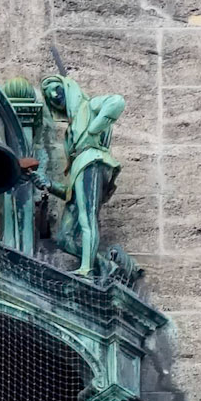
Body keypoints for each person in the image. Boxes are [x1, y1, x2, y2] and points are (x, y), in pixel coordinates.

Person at [40, 72, 126, 279]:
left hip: (93, 160)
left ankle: (86, 269)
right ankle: (103, 264)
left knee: (87, 217)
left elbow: (117, 101)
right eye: (48, 93)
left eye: (56, 88)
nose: (53, 94)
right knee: (64, 238)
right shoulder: (70, 134)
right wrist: (49, 184)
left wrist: (94, 130)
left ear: (68, 88)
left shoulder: (89, 106)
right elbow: (71, 192)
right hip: (82, 165)